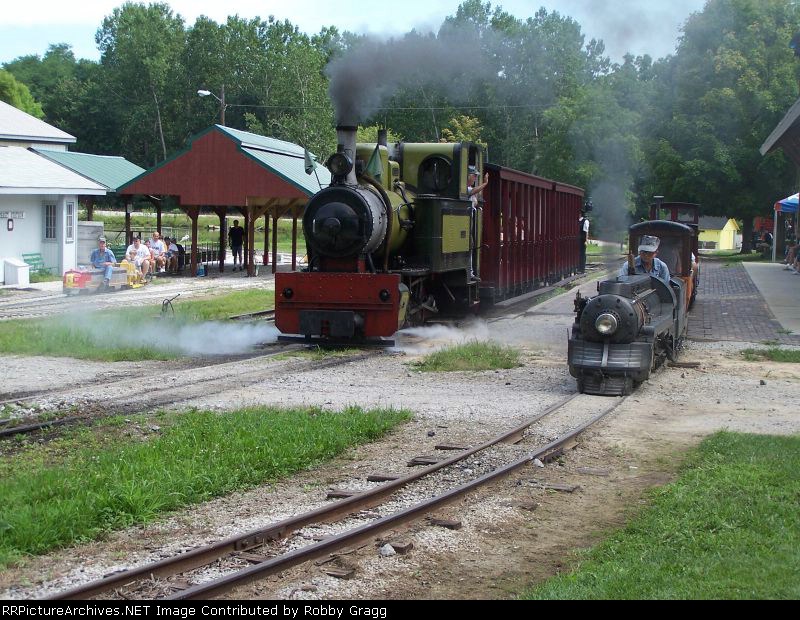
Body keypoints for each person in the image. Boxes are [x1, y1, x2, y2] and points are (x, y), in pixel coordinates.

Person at [467, 166, 488, 281]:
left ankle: (470, 272)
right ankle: (469, 273)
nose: (475, 178)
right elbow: (474, 192)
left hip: (469, 222)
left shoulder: (469, 188)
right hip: (464, 223)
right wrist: (485, 183)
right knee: (468, 246)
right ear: (468, 175)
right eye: (474, 175)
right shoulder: (465, 188)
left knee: (470, 246)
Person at [578, 208, 591, 273]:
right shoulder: (577, 221)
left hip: (582, 240)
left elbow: (586, 232)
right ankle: (578, 267)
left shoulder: (585, 221)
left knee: (582, 254)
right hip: (577, 240)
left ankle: (582, 268)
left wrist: (586, 240)